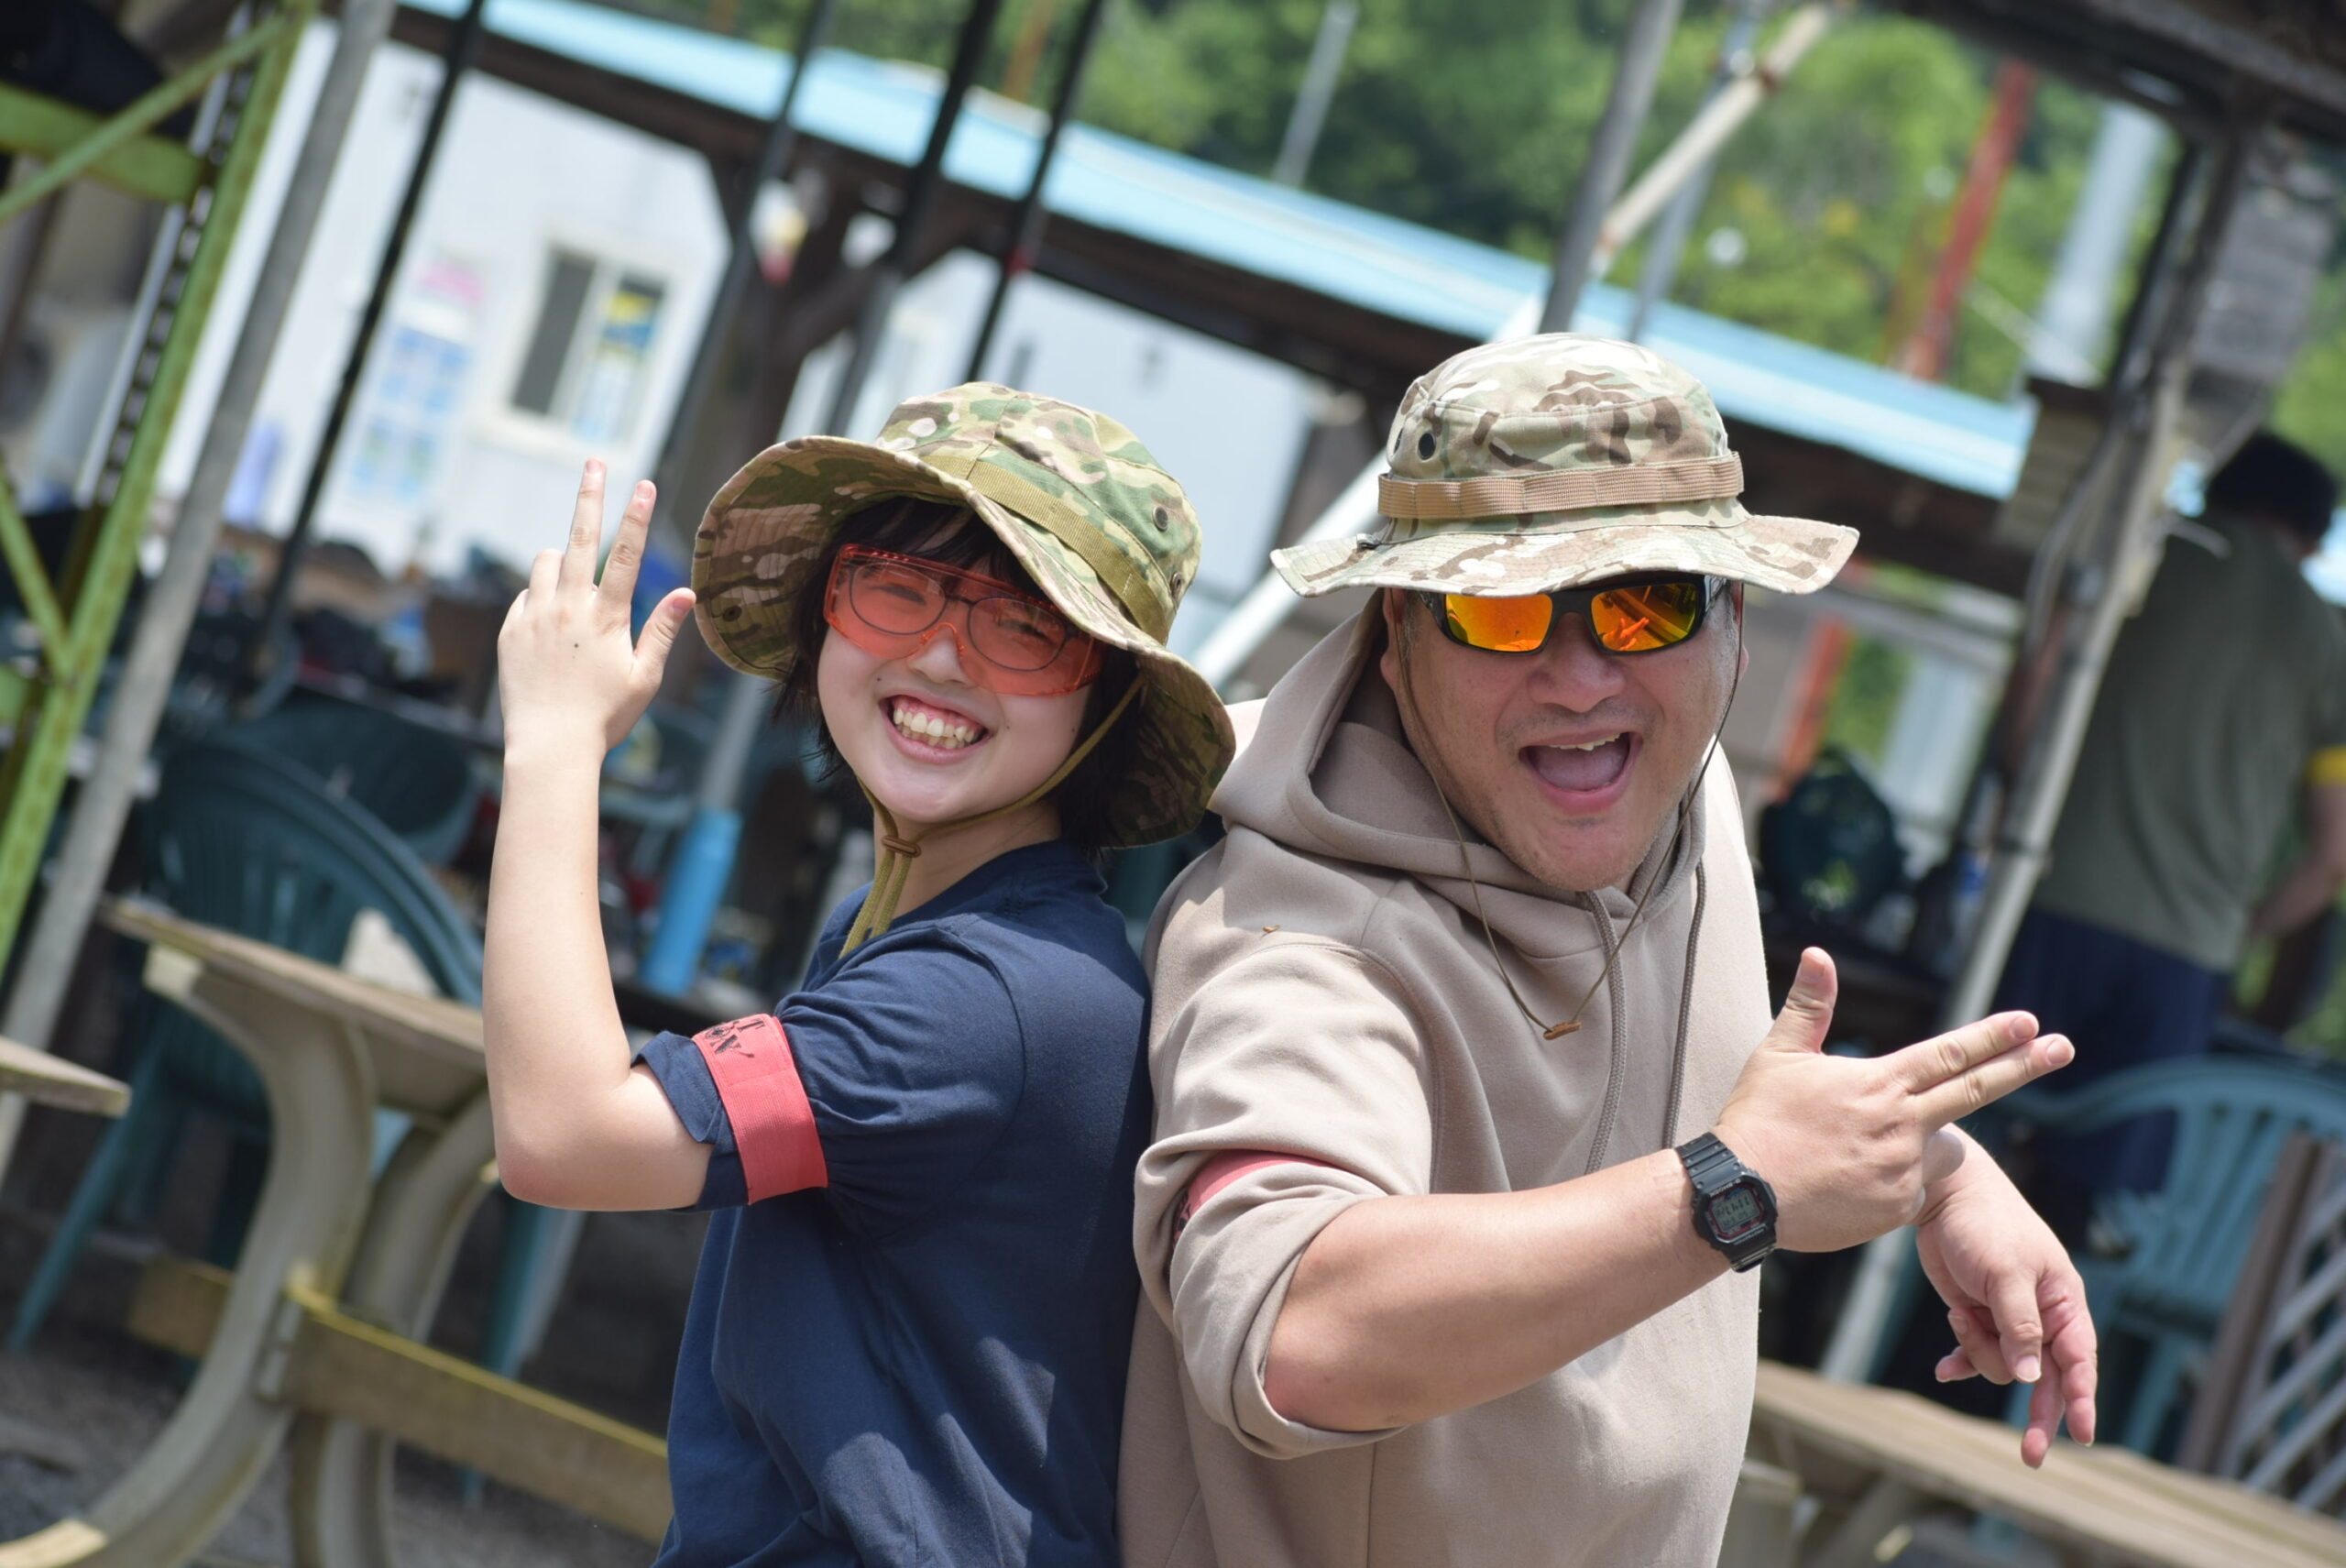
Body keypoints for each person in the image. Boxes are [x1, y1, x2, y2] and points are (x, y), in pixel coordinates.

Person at [1118, 335, 2098, 1567]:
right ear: (1396, 636)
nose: (1582, 679)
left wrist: (1937, 1168)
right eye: (1501, 606)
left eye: (1648, 600)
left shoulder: (1679, 792)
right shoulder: (1298, 936)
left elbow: (1727, 1102)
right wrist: (1732, 1191)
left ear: (1732, 620)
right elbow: (1292, 1328)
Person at [482, 386, 1235, 1566]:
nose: (939, 653)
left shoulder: (985, 1000)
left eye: (1025, 625)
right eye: (895, 586)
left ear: (1107, 701)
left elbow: (563, 1136)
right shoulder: (928, 933)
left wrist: (554, 745)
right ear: (823, 613)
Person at [1999, 431, 2346, 1204]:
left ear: (2221, 495)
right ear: (2308, 536)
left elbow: (2039, 681)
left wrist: (2021, 792)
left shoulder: (2150, 557)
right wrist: (2241, 928)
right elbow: (2332, 857)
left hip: (2061, 897)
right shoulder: (2326, 639)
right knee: (2076, 1200)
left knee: (1966, 1144)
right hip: (2189, 953)